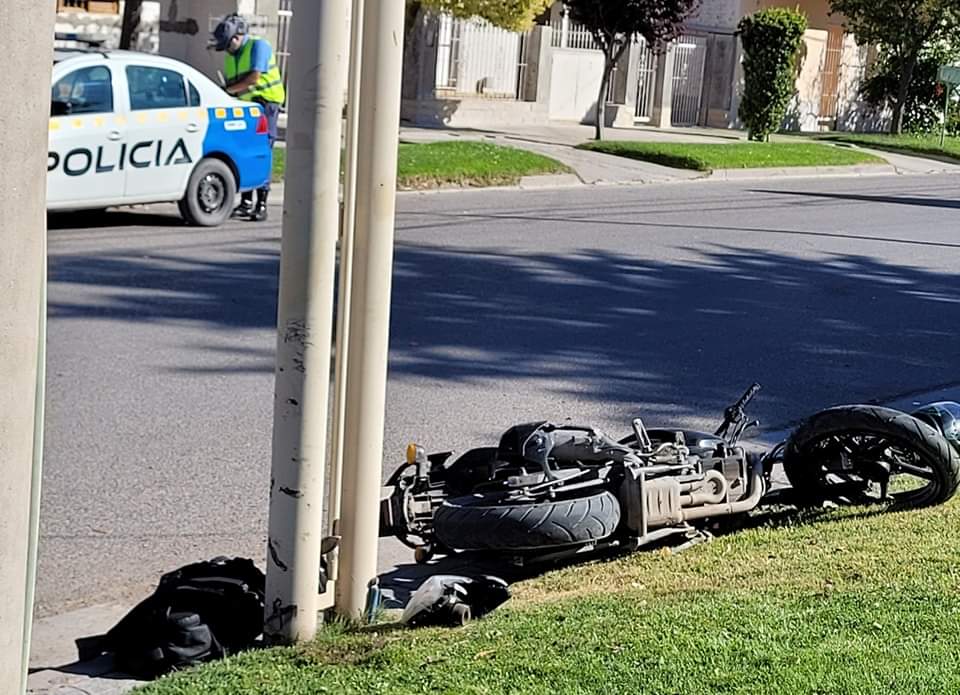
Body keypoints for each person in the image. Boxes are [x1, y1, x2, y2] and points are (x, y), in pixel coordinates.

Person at [210, 13, 285, 222]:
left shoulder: (258, 47)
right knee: (245, 151)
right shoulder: (231, 55)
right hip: (246, 106)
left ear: (237, 37)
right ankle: (246, 202)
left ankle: (261, 203)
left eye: (227, 44)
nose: (225, 49)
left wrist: (228, 91)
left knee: (262, 151)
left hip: (265, 104)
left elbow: (254, 78)